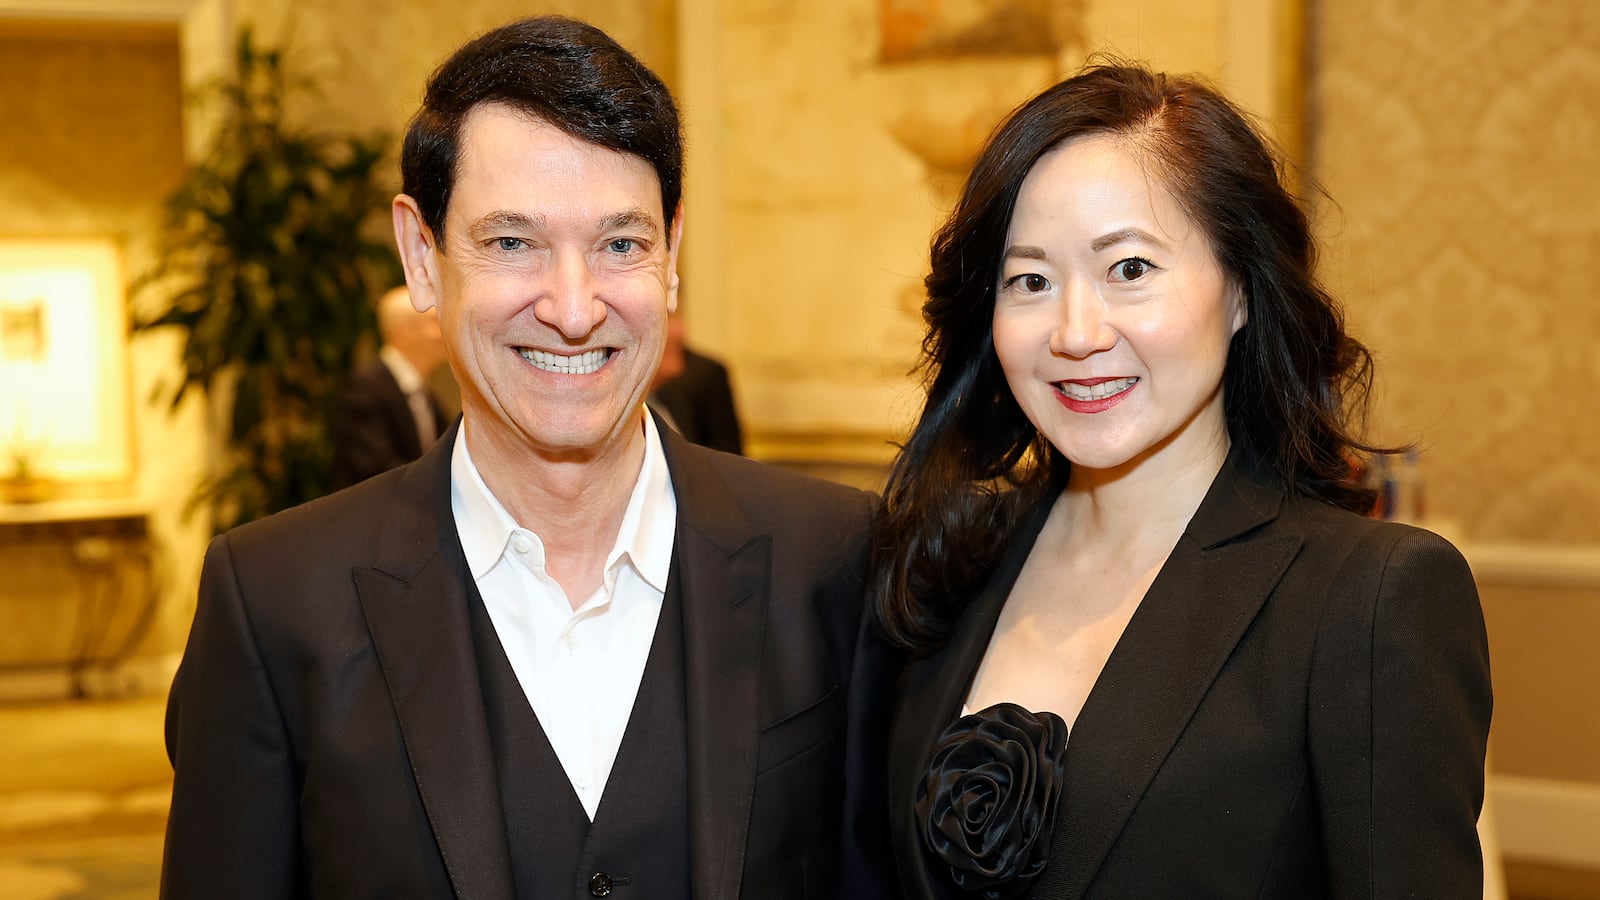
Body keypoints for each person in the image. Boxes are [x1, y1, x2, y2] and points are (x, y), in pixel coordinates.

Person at [162, 17, 894, 899]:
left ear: (672, 257)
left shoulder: (835, 559)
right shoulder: (277, 603)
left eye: (621, 244)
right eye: (512, 244)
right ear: (421, 259)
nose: (575, 308)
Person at [873, 64, 1491, 898]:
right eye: (1030, 281)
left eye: (1129, 268)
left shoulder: (1369, 598)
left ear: (1239, 287)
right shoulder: (955, 556)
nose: (1075, 332)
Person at [328, 284, 449, 489]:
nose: (444, 331)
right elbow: (374, 468)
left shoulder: (423, 392)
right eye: (433, 322)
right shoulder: (364, 390)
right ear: (405, 332)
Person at [649, 308, 745, 455]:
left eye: (676, 317)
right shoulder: (618, 413)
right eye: (666, 318)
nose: (679, 331)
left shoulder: (673, 396)